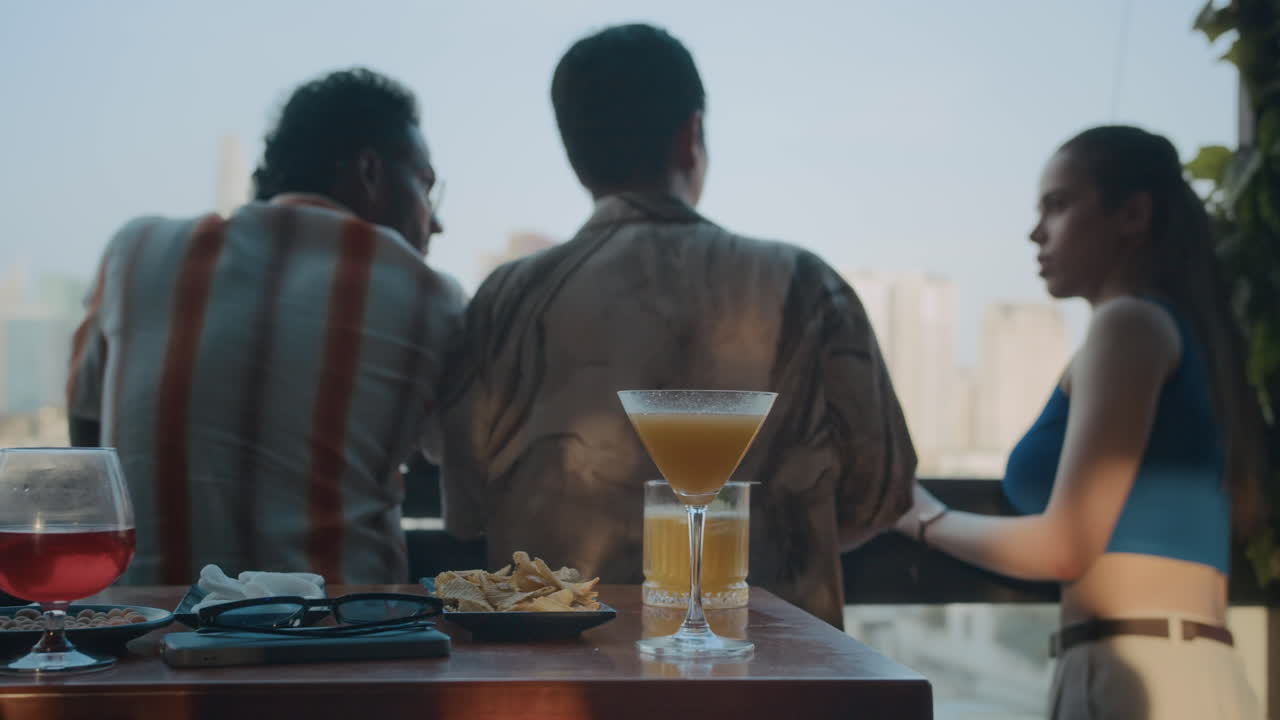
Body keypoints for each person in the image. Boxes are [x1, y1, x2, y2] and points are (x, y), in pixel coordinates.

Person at [434, 23, 915, 628]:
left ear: (576, 155)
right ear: (691, 135)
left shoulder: (502, 301)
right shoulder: (806, 285)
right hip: (773, 672)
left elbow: (466, 511)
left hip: (556, 673)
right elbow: (880, 497)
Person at [895, 125, 1264, 718]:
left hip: (1139, 677)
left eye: (1058, 205)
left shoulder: (1129, 326)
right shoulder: (1171, 332)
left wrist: (919, 516)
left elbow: (1063, 546)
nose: (1036, 232)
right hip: (1173, 669)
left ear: (1132, 215)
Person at [67, 68, 466, 586]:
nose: (435, 223)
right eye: (426, 187)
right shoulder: (427, 292)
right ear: (370, 172)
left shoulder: (135, 251)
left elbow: (88, 449)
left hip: (150, 636)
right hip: (343, 638)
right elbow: (467, 469)